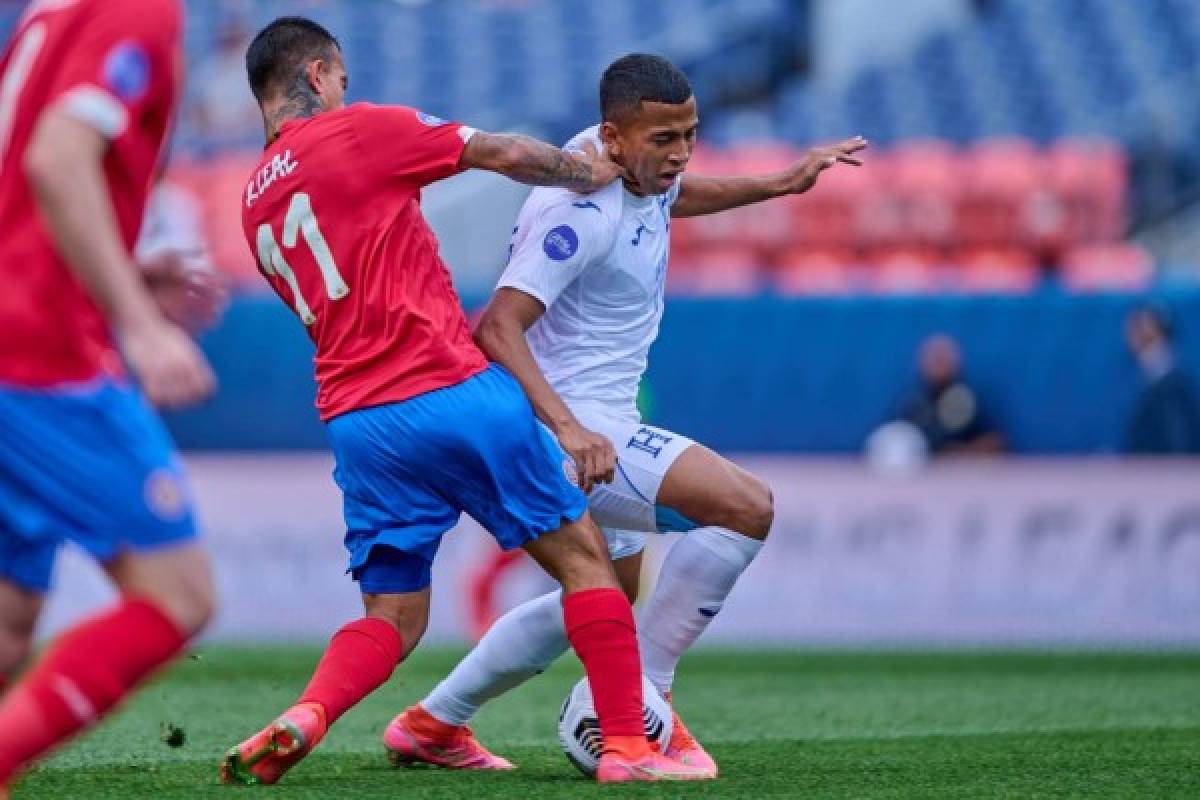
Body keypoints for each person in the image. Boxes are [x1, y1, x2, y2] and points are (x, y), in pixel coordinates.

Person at [219, 19, 709, 786]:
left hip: (357, 422)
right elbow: (506, 153)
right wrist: (593, 174)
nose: (346, 89)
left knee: (393, 617)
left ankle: (311, 711)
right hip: (448, 387)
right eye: (341, 77)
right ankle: (629, 749)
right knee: (589, 566)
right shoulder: (359, 130)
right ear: (318, 75)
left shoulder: (251, 203)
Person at [382, 53, 865, 778]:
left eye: (688, 135)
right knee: (746, 507)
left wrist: (779, 181)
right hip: (573, 426)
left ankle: (432, 723)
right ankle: (650, 699)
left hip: (595, 420)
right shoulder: (576, 210)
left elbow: (672, 194)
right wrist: (571, 430)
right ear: (613, 137)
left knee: (602, 595)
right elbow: (497, 328)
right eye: (663, 140)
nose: (679, 154)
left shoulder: (632, 165)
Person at [0, 0, 219, 793]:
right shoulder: (137, 9)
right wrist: (136, 319)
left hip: (16, 325)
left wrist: (121, 272)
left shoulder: (50, 11)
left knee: (10, 622)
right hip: (40, 353)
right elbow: (57, 159)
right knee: (178, 594)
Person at [891, 334, 1005, 456]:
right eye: (933, 359)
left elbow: (995, 441)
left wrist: (960, 453)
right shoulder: (912, 401)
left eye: (942, 359)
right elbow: (891, 439)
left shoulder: (969, 399)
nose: (938, 364)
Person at [1122, 305, 1200, 454]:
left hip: (1161, 470)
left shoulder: (1171, 385)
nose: (1130, 335)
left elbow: (1178, 438)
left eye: (1140, 329)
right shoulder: (1145, 376)